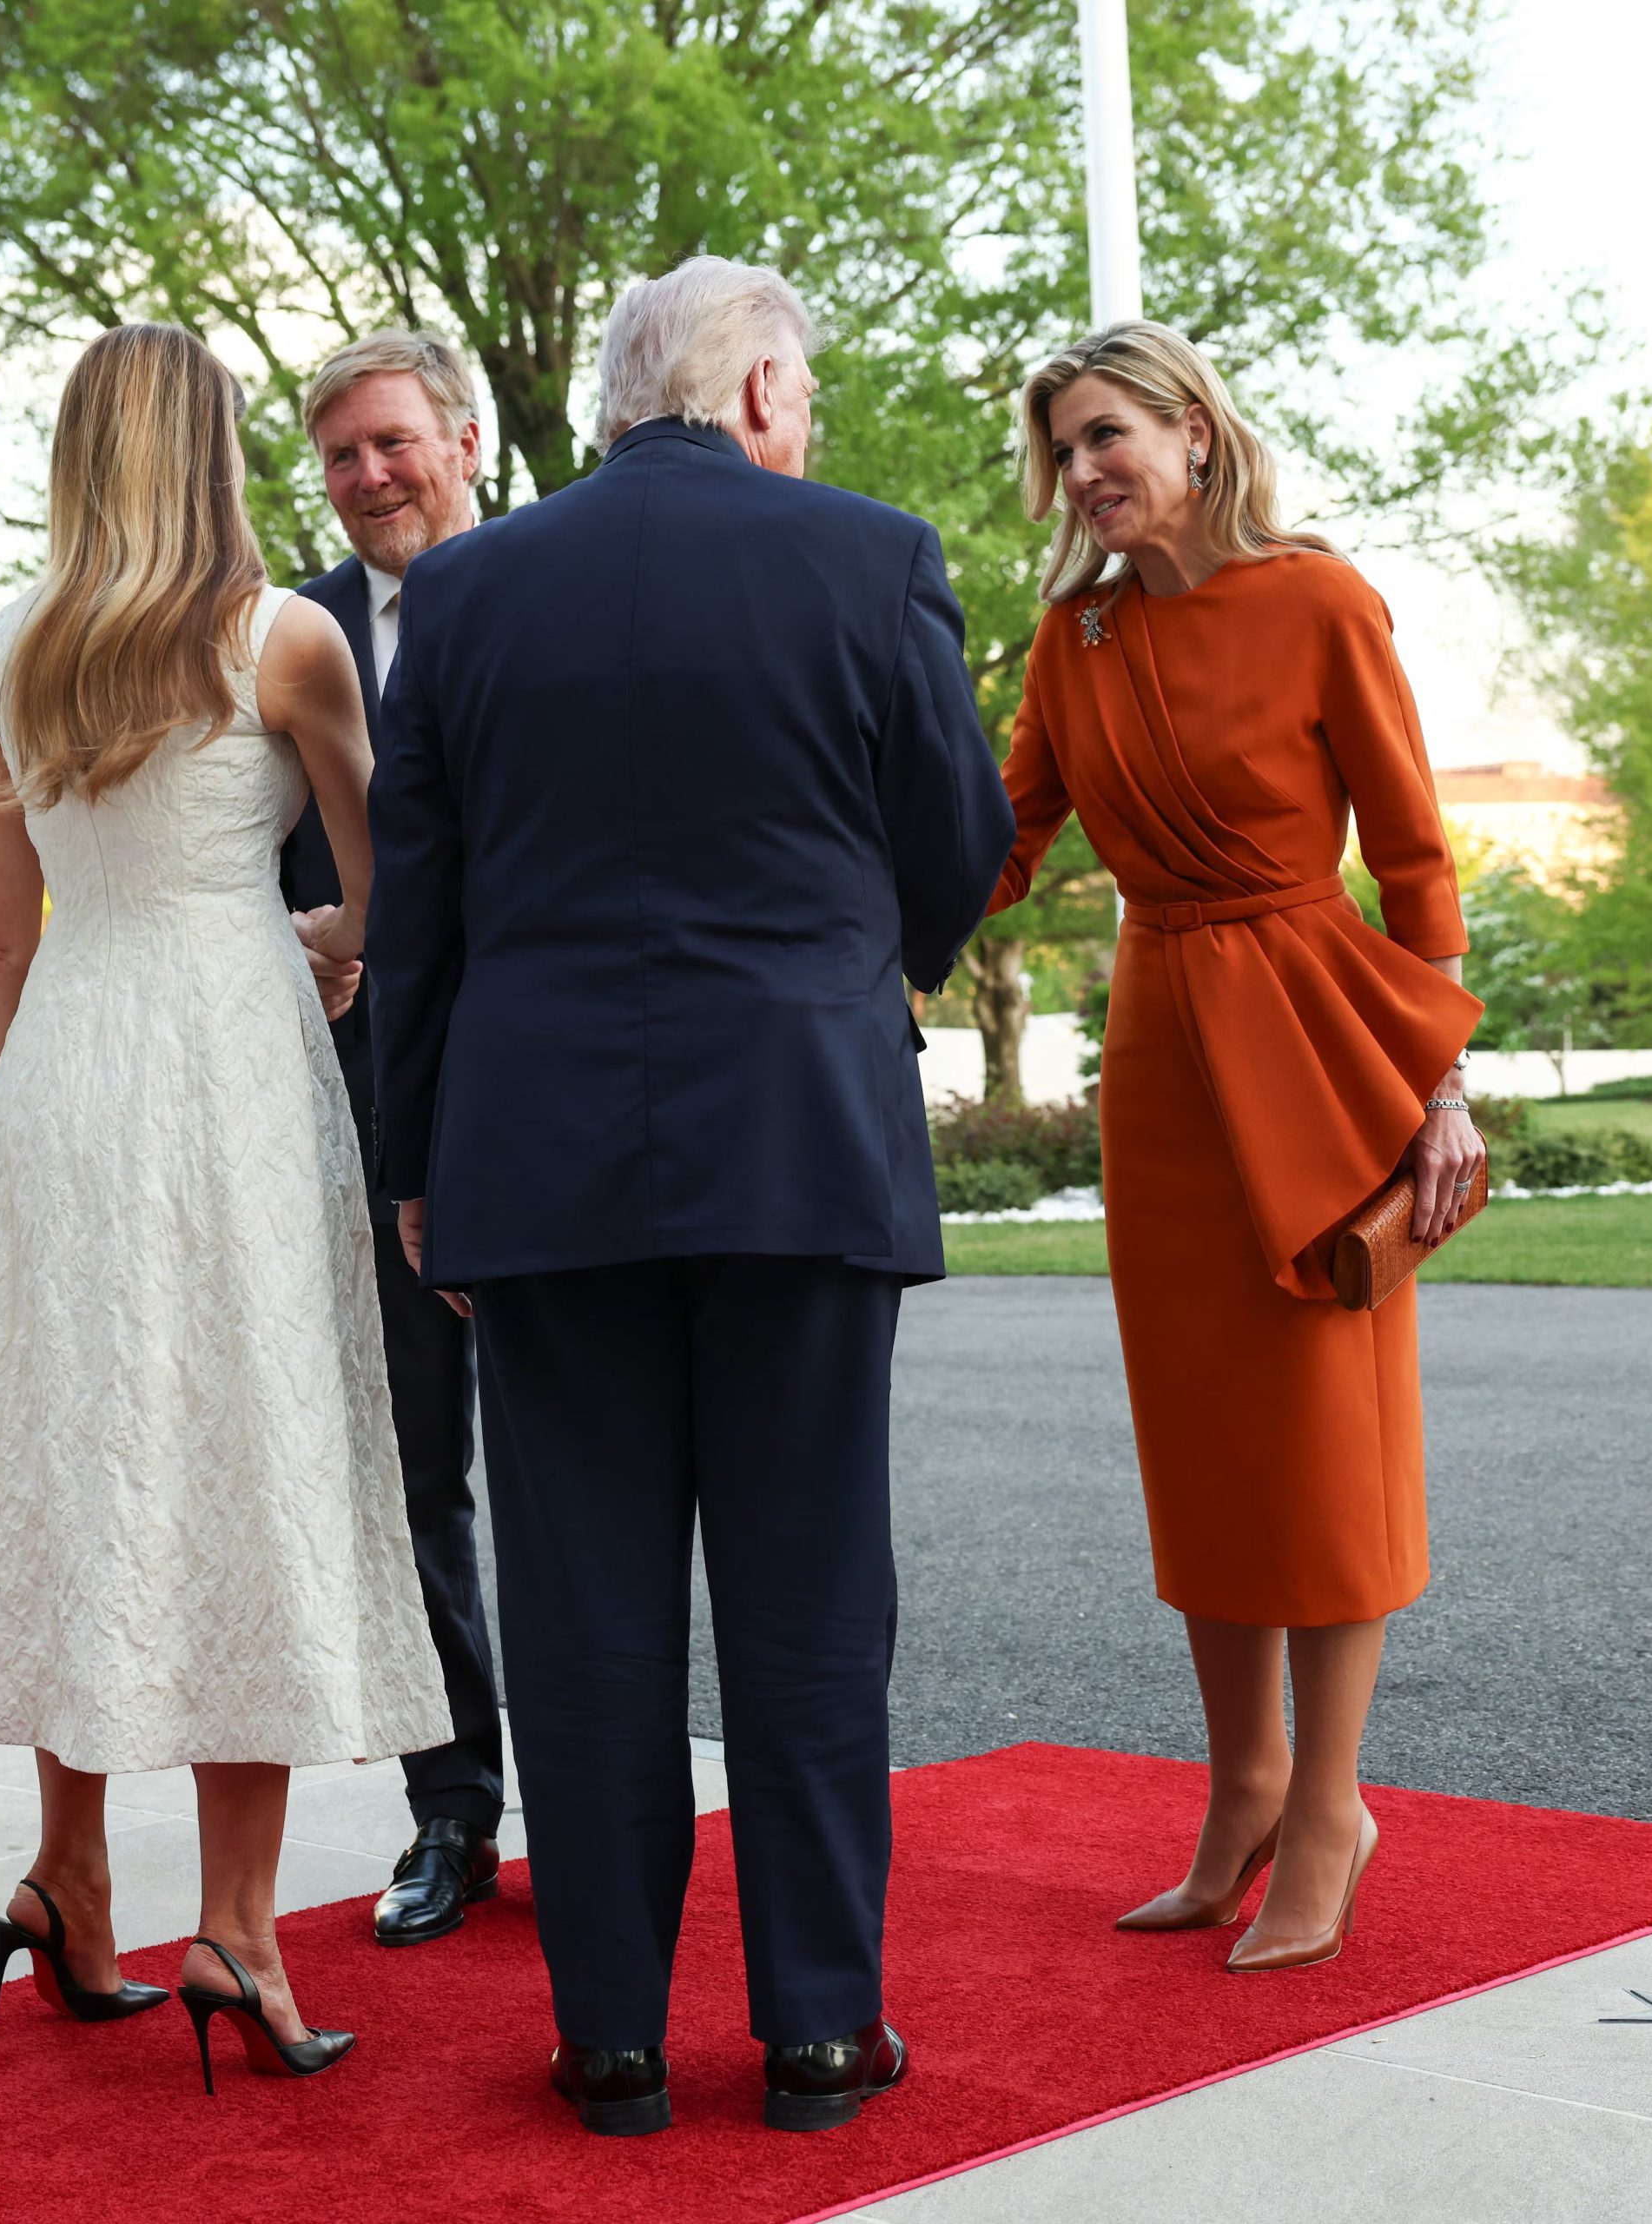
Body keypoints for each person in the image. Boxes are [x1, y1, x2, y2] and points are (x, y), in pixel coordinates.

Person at [365, 257, 1014, 2136]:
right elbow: (953, 844)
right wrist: (831, 967)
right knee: (809, 1605)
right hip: (799, 1134)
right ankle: (817, 2026)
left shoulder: (466, 591)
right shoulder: (867, 558)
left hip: (538, 1159)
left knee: (577, 1613)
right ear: (749, 394)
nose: (801, 423)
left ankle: (612, 2034)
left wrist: (416, 1167)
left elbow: (423, 918)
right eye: (796, 390)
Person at [0, 323, 453, 2089]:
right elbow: (390, 887)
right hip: (228, 1074)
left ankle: (68, 1877)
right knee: (242, 1463)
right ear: (209, 451)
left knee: (81, 1466)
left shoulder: (7, 645)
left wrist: (39, 1105)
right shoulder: (285, 638)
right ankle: (241, 1928)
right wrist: (323, 950)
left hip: (67, 1077)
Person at [991, 323, 1486, 1972]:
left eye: (1106, 435)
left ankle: (1332, 1806)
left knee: (1323, 1441)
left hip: (1324, 1039)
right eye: (1063, 450)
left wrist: (1441, 1089)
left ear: (1196, 432)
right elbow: (999, 844)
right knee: (1205, 1437)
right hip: (1162, 1052)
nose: (1083, 473)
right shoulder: (1075, 635)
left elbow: (1416, 864)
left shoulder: (1323, 602)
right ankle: (1244, 1789)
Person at [281, 333, 508, 1946]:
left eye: (393, 443)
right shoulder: (291, 631)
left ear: (468, 438)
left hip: (544, 1098)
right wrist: (310, 926)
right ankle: (451, 1818)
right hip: (363, 1117)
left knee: (582, 1484)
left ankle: (607, 1815)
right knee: (416, 1478)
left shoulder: (564, 590)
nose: (370, 477)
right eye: (344, 455)